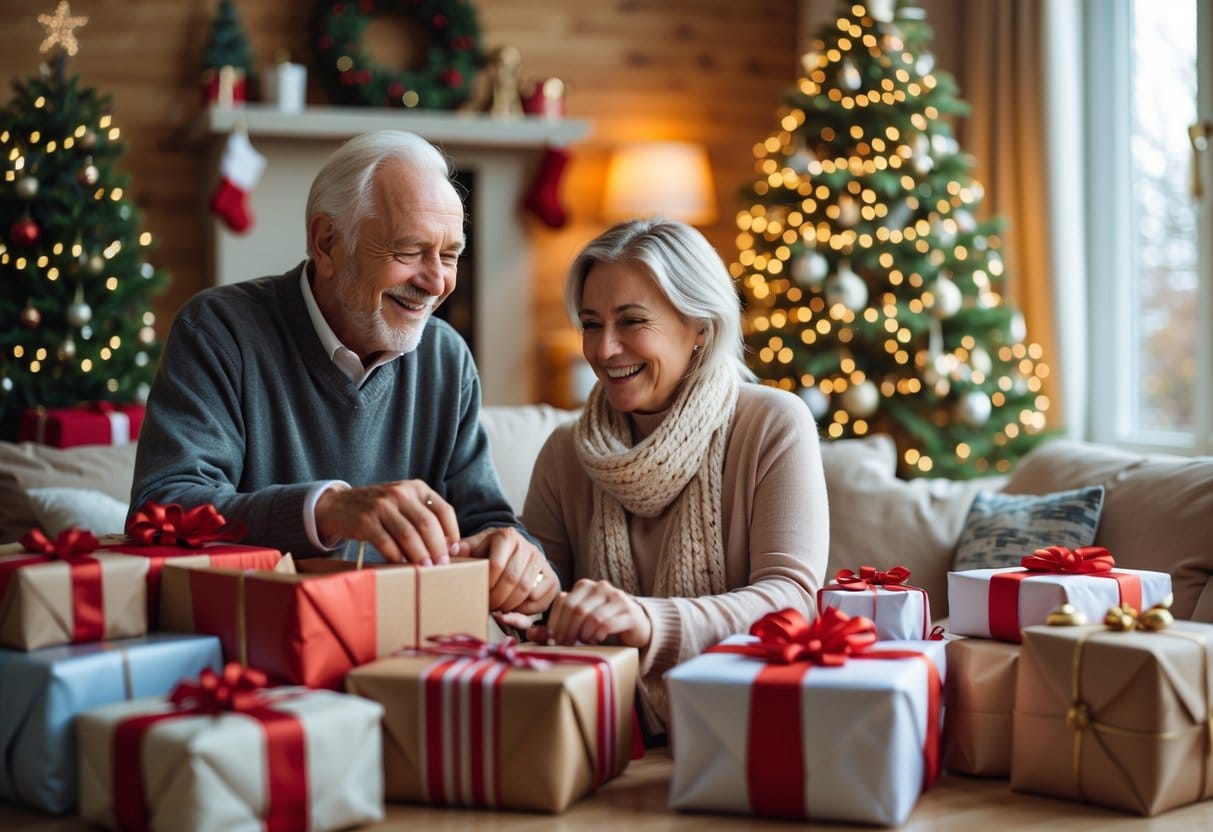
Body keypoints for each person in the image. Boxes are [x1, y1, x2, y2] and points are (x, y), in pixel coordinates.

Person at [130, 129, 556, 618]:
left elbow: (486, 519)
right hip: (255, 640)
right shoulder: (220, 330)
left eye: (450, 255)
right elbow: (161, 509)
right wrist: (326, 509)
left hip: (409, 642)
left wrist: (520, 557)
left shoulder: (446, 358)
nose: (436, 281)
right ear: (327, 243)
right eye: (408, 251)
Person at [516, 218, 829, 738]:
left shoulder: (773, 423)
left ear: (700, 326)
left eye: (632, 321)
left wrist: (649, 622)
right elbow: (539, 612)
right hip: (599, 737)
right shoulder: (564, 453)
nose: (604, 349)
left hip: (743, 731)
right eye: (591, 324)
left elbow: (792, 599)